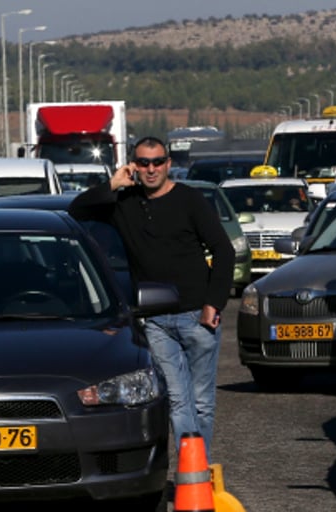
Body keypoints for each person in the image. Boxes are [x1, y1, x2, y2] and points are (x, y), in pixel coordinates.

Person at [69, 136, 234, 455]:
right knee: (177, 400)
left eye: (158, 161)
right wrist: (113, 184)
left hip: (198, 316)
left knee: (201, 402)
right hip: (155, 320)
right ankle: (192, 471)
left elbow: (223, 251)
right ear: (134, 165)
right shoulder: (123, 203)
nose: (151, 168)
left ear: (169, 164)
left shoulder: (190, 200)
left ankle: (200, 471)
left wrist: (213, 304)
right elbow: (77, 210)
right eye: (143, 163)